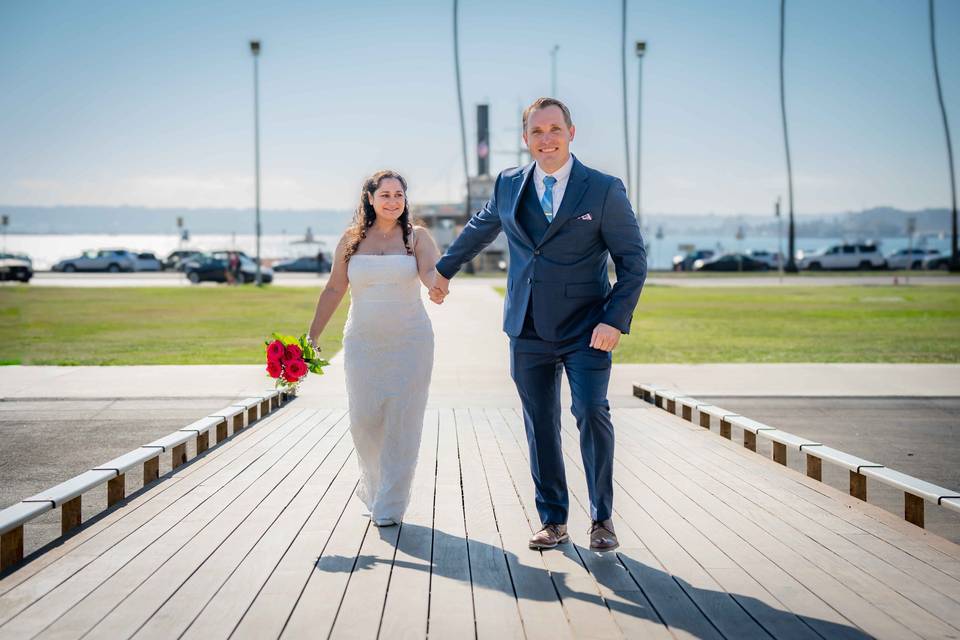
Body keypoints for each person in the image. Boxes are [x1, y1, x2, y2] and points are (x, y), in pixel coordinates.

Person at [430, 98, 647, 551]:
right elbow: (480, 227)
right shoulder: (510, 183)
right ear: (526, 138)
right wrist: (443, 270)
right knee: (539, 424)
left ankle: (601, 518)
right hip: (526, 326)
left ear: (571, 131)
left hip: (588, 328)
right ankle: (553, 520)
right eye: (536, 132)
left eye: (554, 129)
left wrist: (614, 319)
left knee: (591, 411)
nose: (546, 139)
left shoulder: (604, 189)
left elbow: (633, 262)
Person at [308, 170, 440, 527]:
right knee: (363, 421)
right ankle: (376, 485)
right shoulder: (351, 239)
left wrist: (436, 286)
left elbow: (430, 272)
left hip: (411, 343)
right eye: (385, 195)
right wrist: (313, 334)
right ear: (369, 198)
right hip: (363, 344)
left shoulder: (417, 237)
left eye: (399, 195)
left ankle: (390, 504)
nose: (393, 201)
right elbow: (334, 288)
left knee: (403, 421)